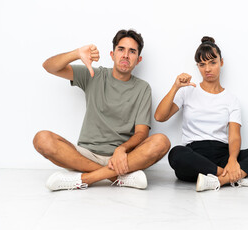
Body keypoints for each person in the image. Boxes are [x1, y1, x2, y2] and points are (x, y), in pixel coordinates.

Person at [33, 29, 170, 191]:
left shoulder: (143, 88)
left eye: (132, 51)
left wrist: (122, 149)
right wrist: (76, 53)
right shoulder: (94, 75)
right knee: (42, 139)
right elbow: (49, 67)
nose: (126, 55)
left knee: (161, 141)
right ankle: (117, 177)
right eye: (121, 49)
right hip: (84, 155)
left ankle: (85, 178)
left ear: (138, 59)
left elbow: (141, 133)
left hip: (123, 158)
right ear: (112, 55)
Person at [154, 36, 248, 192]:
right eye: (202, 65)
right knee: (176, 154)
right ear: (197, 66)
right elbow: (160, 117)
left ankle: (219, 180)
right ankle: (235, 177)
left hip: (223, 155)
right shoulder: (187, 92)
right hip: (195, 156)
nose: (207, 69)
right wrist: (175, 87)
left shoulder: (231, 99)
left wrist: (232, 160)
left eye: (212, 63)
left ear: (221, 62)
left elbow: (234, 135)